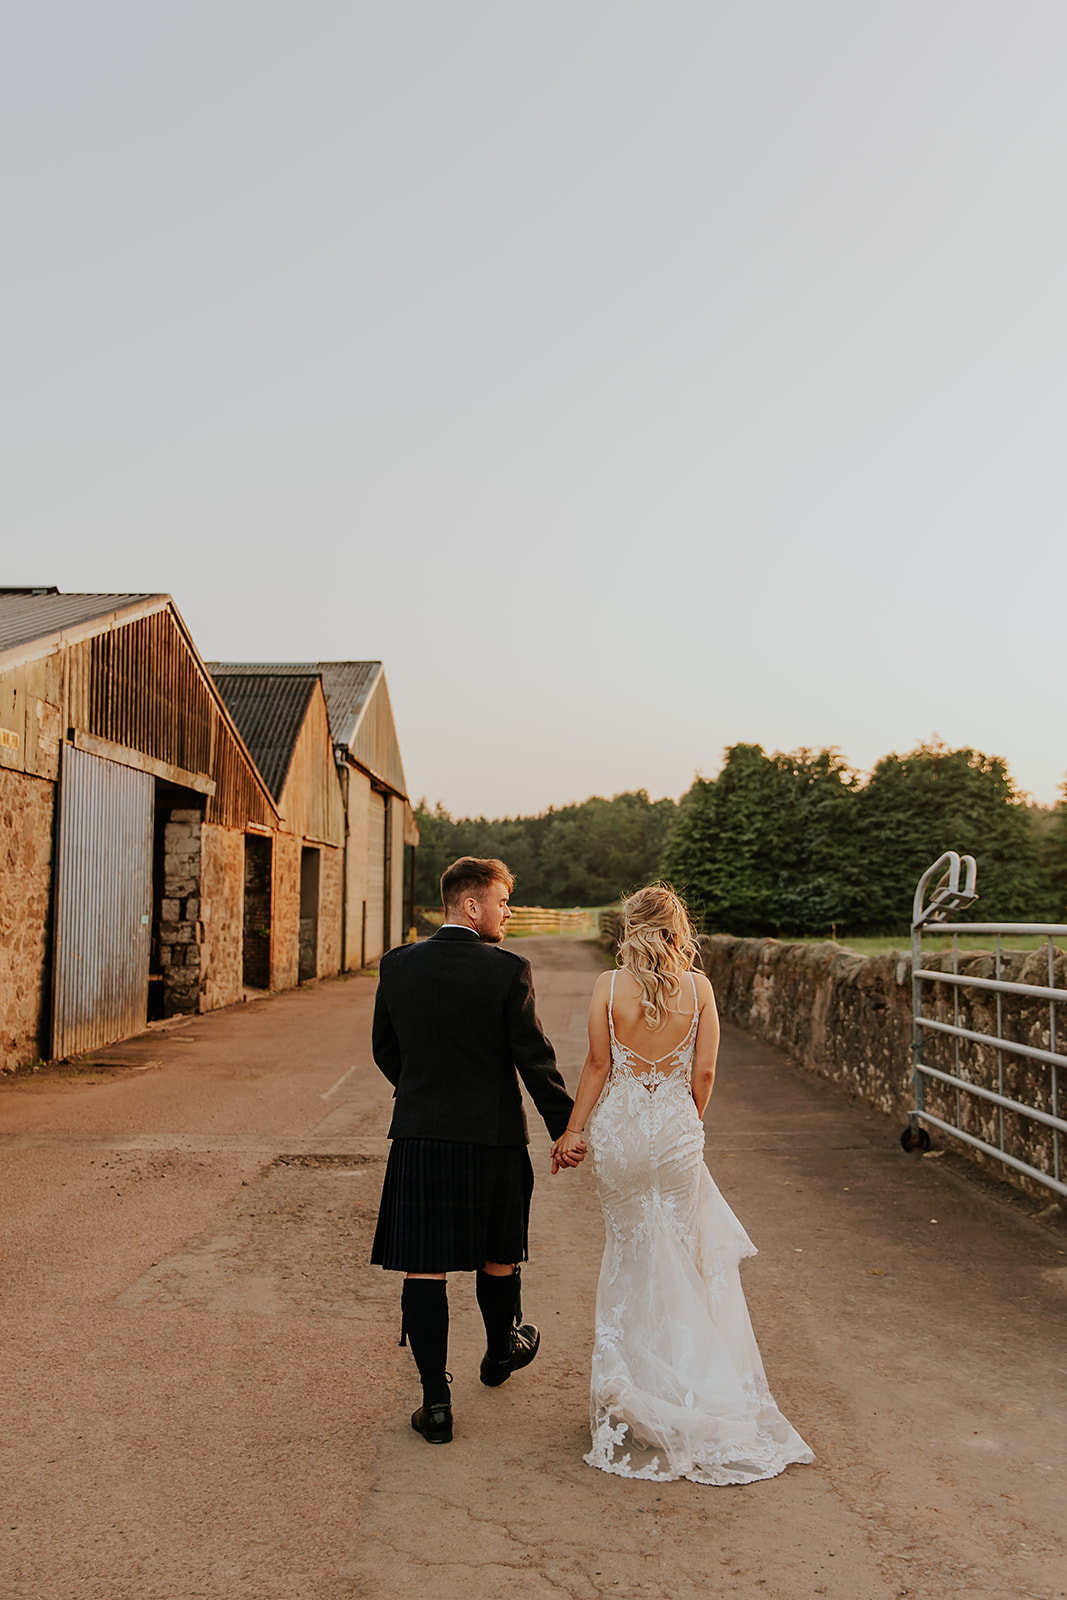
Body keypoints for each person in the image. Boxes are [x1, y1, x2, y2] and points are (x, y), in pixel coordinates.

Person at [551, 885, 813, 1485]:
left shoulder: (607, 987)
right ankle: (689, 1388)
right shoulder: (699, 990)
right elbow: (705, 1071)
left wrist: (574, 1131)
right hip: (674, 1129)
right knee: (683, 1257)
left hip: (619, 1130)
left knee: (630, 1254)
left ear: (629, 926)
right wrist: (684, 1121)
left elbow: (597, 1066)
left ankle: (630, 1394)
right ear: (678, 927)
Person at [371, 856, 584, 1445]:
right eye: (503, 901)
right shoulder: (506, 971)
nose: (508, 912)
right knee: (498, 1253)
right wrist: (566, 1127)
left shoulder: (397, 966)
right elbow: (534, 1060)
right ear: (472, 905)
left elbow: (385, 1049)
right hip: (492, 1139)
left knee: (426, 1266)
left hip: (420, 1137)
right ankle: (499, 1351)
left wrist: (424, 1095)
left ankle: (435, 1404)